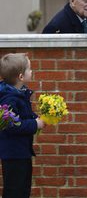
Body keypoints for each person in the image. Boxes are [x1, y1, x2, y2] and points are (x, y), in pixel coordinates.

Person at [0, 53, 45, 198]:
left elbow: (23, 115)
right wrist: (35, 124)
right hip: (13, 153)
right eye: (29, 69)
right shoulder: (9, 99)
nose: (31, 72)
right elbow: (11, 125)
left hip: (22, 151)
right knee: (15, 190)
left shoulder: (20, 93)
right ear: (20, 76)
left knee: (23, 189)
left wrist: (34, 117)